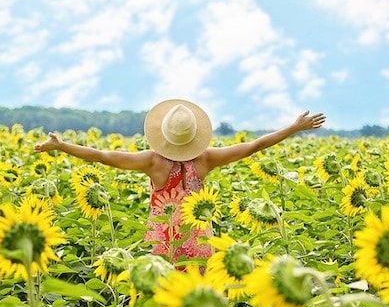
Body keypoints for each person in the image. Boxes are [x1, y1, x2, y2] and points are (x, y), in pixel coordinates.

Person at [34, 99, 326, 266]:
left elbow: (103, 156)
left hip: (166, 244)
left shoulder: (153, 162)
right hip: (200, 242)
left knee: (166, 303)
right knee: (199, 301)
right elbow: (254, 146)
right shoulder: (206, 159)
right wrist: (293, 128)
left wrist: (62, 146)